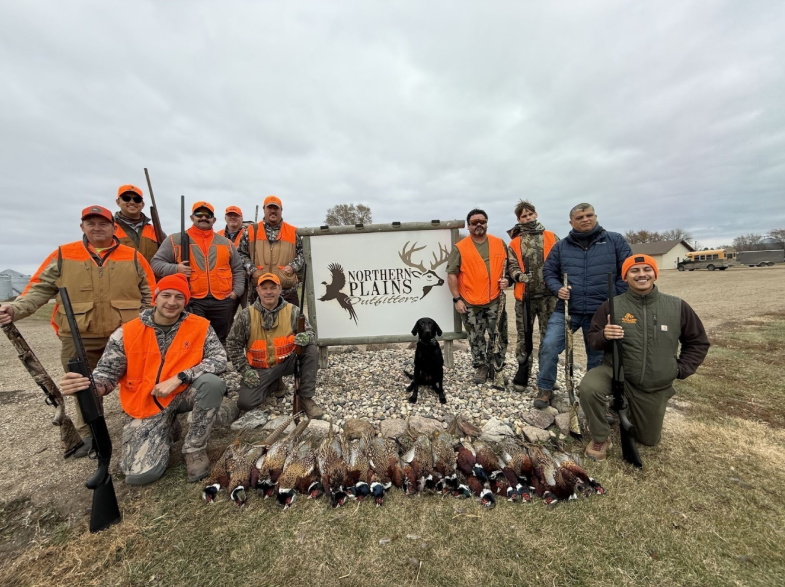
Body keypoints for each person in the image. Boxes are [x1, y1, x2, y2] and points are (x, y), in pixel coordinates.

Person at [0, 205, 155, 456]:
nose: (97, 228)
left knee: (139, 378)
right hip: (79, 335)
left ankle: (144, 421)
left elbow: (150, 295)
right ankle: (90, 434)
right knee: (82, 384)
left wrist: (145, 325)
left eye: (103, 223)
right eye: (91, 223)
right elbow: (38, 289)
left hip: (126, 334)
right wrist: (15, 309)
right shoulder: (63, 255)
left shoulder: (134, 257)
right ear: (82, 226)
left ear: (114, 227)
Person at [58, 274, 228, 484]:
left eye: (179, 297)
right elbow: (107, 373)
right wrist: (88, 386)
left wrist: (180, 377)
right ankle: (167, 427)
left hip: (182, 393)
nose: (172, 302)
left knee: (212, 384)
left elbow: (219, 359)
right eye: (166, 295)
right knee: (140, 476)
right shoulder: (127, 332)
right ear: (155, 297)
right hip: (146, 403)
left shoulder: (200, 326)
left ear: (186, 301)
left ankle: (195, 448)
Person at [579, 255, 710, 460]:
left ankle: (630, 408)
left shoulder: (677, 306)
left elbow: (698, 342)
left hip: (653, 384)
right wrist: (604, 335)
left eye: (647, 269)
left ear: (655, 274)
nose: (641, 274)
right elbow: (593, 340)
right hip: (615, 372)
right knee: (589, 387)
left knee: (648, 440)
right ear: (625, 277)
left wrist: (679, 369)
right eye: (634, 270)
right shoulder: (611, 305)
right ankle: (601, 436)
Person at [534, 203, 633, 408]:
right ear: (571, 222)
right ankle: (545, 388)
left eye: (589, 215)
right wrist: (557, 289)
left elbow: (627, 272)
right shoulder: (561, 247)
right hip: (567, 309)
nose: (585, 219)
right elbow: (549, 273)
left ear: (595, 216)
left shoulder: (615, 241)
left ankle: (593, 395)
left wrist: (613, 297)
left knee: (597, 356)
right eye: (580, 217)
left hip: (601, 311)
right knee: (549, 346)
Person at [226, 273, 326, 420]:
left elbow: (311, 333)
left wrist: (306, 338)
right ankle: (274, 384)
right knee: (246, 403)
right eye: (264, 288)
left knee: (311, 350)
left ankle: (305, 398)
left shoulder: (293, 311)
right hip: (260, 368)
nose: (269, 292)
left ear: (280, 289)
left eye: (273, 288)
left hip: (288, 362)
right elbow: (232, 344)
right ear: (258, 290)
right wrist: (245, 370)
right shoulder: (246, 315)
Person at [151, 201, 245, 344]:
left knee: (221, 338)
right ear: (192, 217)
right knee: (194, 338)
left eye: (208, 215)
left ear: (214, 219)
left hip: (222, 300)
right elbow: (156, 263)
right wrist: (176, 269)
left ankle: (220, 358)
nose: (203, 217)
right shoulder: (175, 240)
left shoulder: (226, 243)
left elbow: (237, 269)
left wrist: (236, 292)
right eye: (199, 214)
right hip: (192, 299)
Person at [447, 208, 509, 384]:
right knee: (476, 337)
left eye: (482, 221)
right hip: (470, 302)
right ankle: (481, 367)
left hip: (495, 300)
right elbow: (451, 274)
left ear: (487, 223)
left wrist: (508, 280)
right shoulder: (460, 247)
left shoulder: (499, 243)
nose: (479, 224)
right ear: (468, 226)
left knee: (499, 335)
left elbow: (510, 268)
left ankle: (497, 368)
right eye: (474, 222)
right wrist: (457, 299)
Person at [506, 200, 559, 390]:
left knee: (549, 338)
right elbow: (511, 266)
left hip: (549, 297)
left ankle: (546, 377)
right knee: (524, 337)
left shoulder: (552, 236)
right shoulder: (515, 242)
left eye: (530, 214)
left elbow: (562, 260)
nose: (528, 218)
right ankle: (523, 373)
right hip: (524, 298)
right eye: (523, 216)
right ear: (518, 219)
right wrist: (519, 276)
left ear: (535, 214)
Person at [238, 195, 304, 306]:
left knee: (291, 317)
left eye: (276, 208)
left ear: (281, 210)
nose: (273, 211)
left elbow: (303, 253)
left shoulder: (293, 232)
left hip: (287, 290)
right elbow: (240, 253)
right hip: (260, 290)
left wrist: (293, 267)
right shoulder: (250, 231)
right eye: (270, 208)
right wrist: (252, 269)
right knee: (258, 318)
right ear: (264, 209)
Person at [114, 184, 163, 263]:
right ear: (118, 202)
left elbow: (168, 256)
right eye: (126, 198)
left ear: (142, 204)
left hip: (149, 271)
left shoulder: (156, 231)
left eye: (137, 199)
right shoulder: (108, 228)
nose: (132, 202)